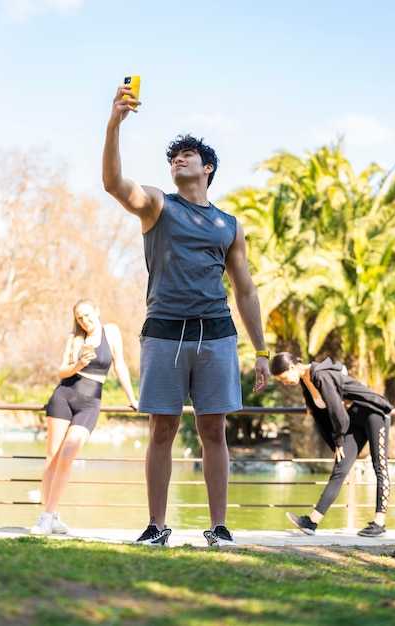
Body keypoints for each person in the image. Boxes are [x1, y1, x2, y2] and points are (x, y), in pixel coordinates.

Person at [102, 85, 270, 547]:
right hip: (164, 332)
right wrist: (114, 123)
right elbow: (114, 185)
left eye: (188, 155)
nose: (178, 159)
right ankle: (157, 526)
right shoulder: (159, 204)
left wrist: (261, 350)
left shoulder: (228, 224)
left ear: (208, 168)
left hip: (216, 334)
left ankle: (218, 528)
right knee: (162, 429)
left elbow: (246, 290)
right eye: (173, 156)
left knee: (213, 430)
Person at [30, 297, 137, 535]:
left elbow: (120, 365)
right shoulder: (75, 338)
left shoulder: (111, 332)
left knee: (67, 454)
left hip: (90, 403)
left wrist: (132, 399)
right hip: (63, 397)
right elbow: (61, 371)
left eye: (88, 315)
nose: (85, 321)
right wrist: (79, 363)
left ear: (97, 311)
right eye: (80, 318)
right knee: (52, 457)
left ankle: (48, 516)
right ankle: (50, 516)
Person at [271, 352, 392, 537]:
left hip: (374, 413)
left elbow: (338, 413)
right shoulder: (306, 381)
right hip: (354, 421)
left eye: (284, 377)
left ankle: (379, 522)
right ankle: (311, 522)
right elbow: (322, 416)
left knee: (380, 466)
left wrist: (339, 441)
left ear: (292, 368)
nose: (284, 382)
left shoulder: (320, 375)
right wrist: (335, 441)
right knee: (340, 469)